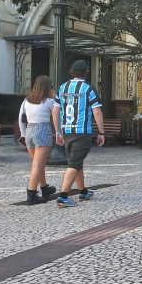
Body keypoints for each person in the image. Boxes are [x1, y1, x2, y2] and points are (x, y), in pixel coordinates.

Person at [52, 60, 105, 207]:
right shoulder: (88, 89)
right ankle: (63, 196)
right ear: (86, 73)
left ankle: (83, 191)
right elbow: (97, 112)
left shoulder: (62, 88)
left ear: (71, 71)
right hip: (82, 131)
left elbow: (55, 111)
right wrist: (101, 132)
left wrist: (58, 132)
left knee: (76, 162)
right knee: (74, 163)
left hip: (67, 131)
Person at [17, 75, 57, 205]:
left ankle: (44, 188)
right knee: (38, 165)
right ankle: (32, 193)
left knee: (38, 163)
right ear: (48, 88)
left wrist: (23, 134)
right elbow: (58, 115)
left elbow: (20, 118)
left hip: (29, 130)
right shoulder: (49, 102)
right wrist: (56, 98)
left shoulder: (26, 101)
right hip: (43, 130)